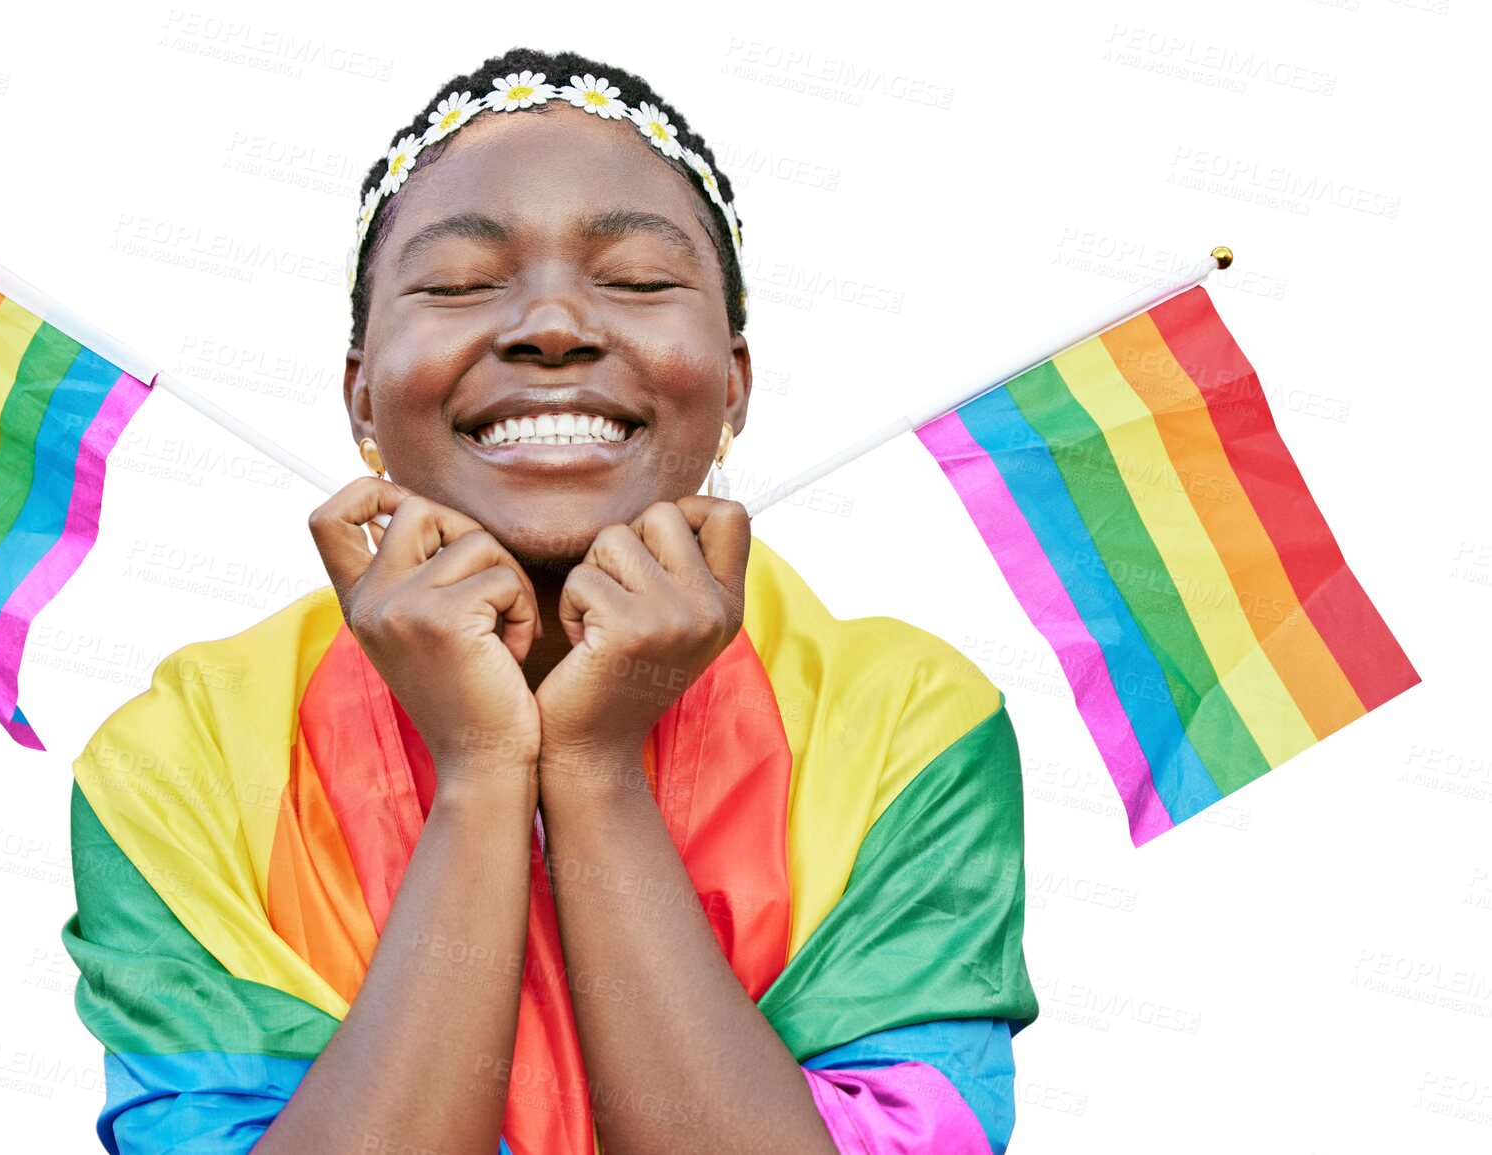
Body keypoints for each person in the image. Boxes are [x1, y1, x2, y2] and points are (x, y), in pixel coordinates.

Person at [63, 47, 1038, 1155]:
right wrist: (482, 773)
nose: (553, 324)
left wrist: (592, 767)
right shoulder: (181, 756)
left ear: (734, 384)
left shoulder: (909, 725)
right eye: (460, 284)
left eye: (635, 279)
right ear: (362, 392)